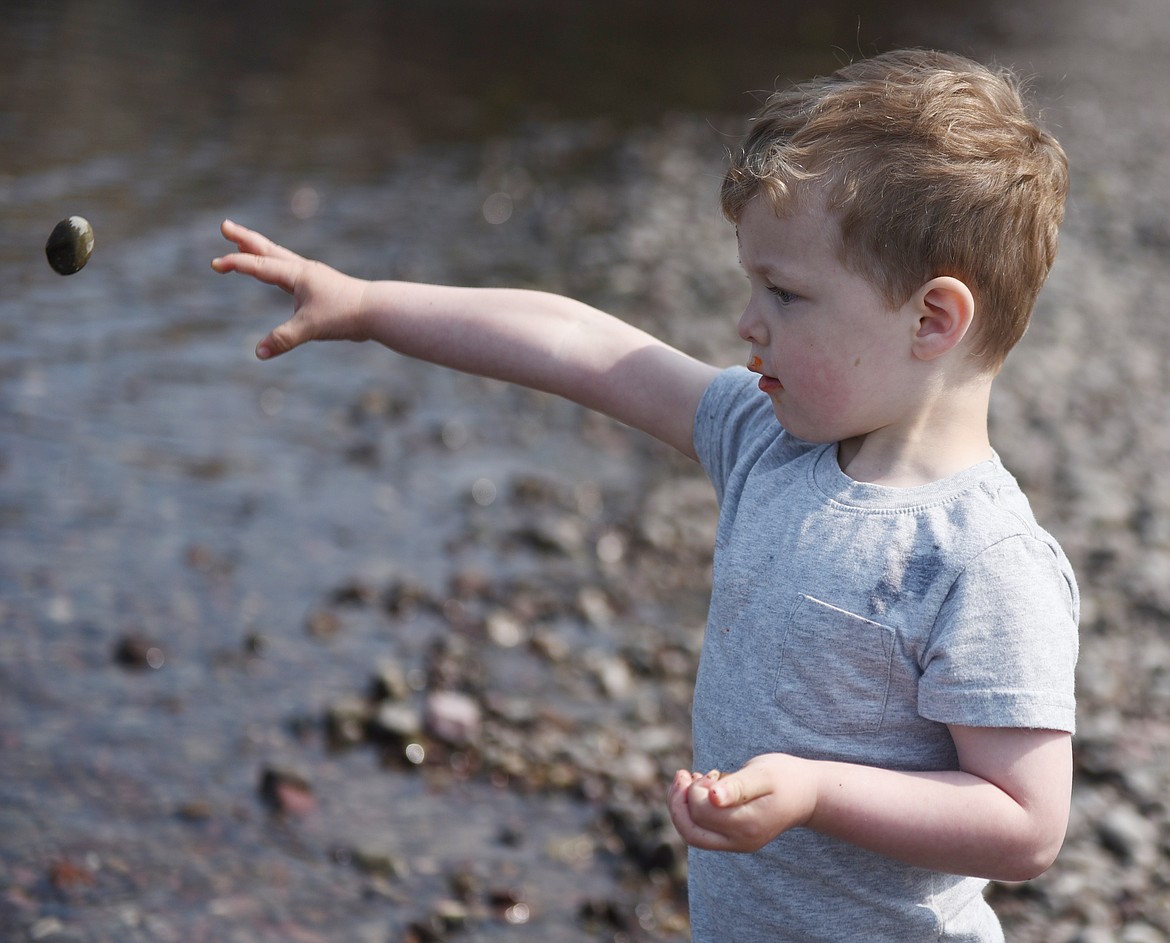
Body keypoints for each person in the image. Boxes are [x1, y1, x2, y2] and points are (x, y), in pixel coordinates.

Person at [212, 47, 1078, 942]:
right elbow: (578, 345)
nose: (748, 321)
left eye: (783, 293)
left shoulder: (981, 560)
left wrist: (818, 791)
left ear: (932, 320)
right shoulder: (765, 440)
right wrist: (364, 304)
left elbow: (1025, 823)